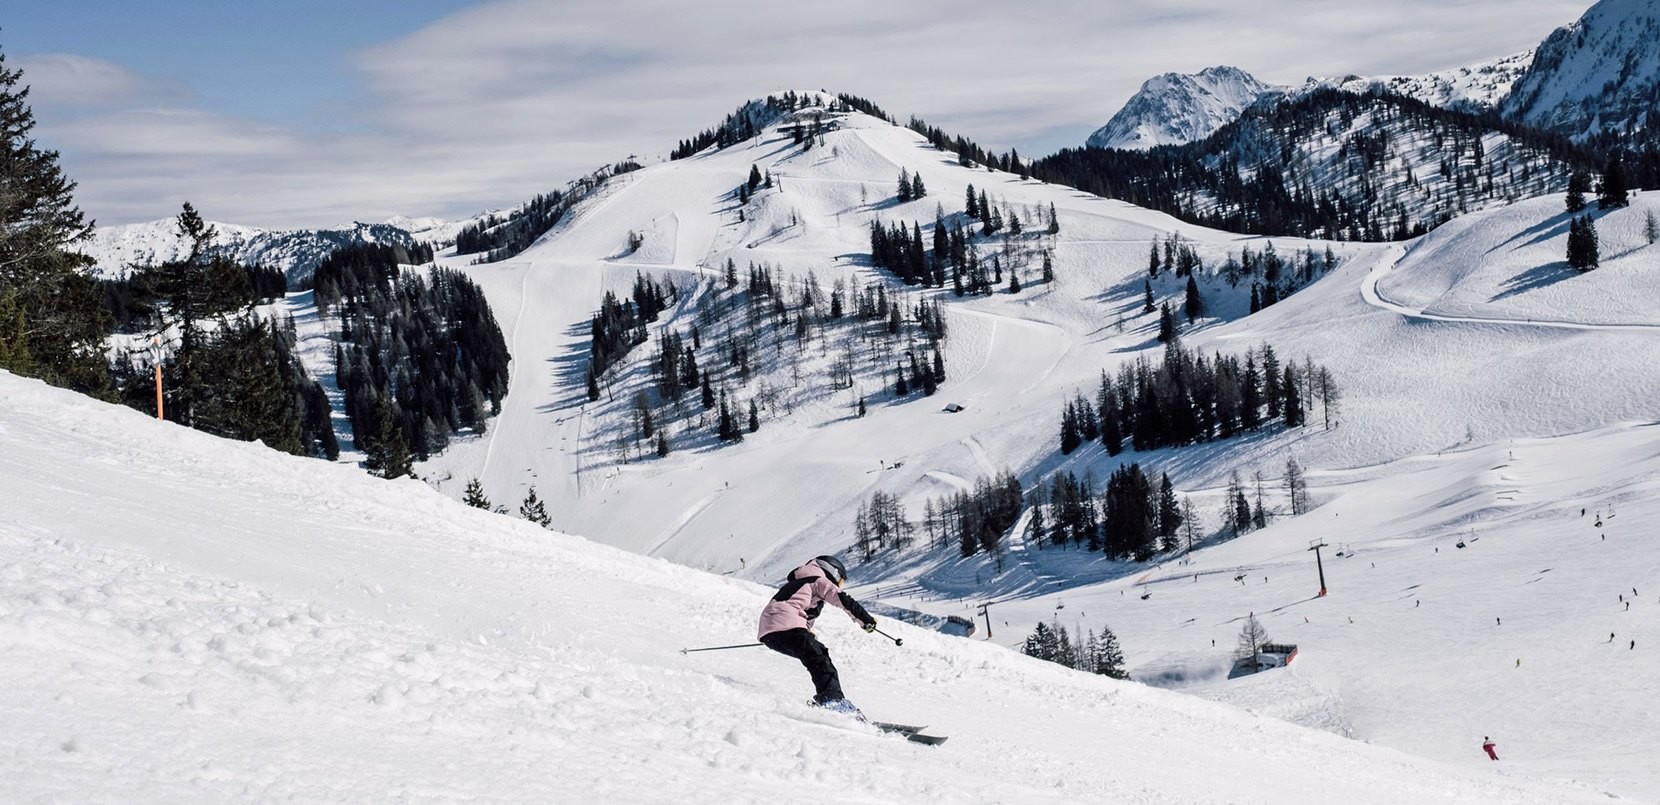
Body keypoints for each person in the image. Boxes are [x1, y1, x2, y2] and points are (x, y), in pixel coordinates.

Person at [757, 555, 877, 714]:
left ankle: (831, 698)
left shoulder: (800, 584)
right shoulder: (818, 580)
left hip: (771, 632)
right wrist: (866, 620)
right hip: (785, 625)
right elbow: (842, 599)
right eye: (840, 580)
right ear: (832, 572)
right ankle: (832, 701)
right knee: (819, 656)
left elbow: (798, 610)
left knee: (814, 653)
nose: (839, 584)